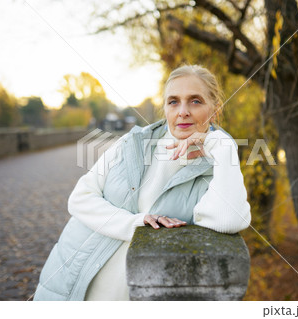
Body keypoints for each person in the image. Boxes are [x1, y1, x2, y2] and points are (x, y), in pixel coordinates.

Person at [33, 65, 251, 301]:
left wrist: (222, 145)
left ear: (215, 108)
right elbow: (80, 198)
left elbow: (230, 219)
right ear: (165, 107)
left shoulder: (218, 167)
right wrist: (135, 224)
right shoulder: (132, 142)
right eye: (174, 102)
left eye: (195, 101)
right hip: (71, 285)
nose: (183, 111)